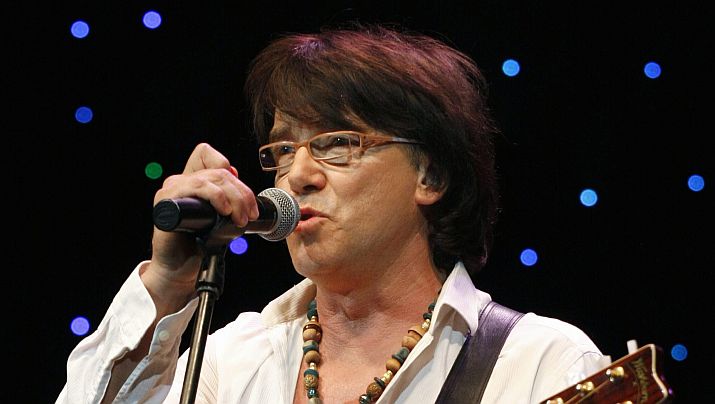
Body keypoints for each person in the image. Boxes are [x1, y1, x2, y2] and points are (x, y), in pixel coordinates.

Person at [57, 23, 605, 403]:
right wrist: (168, 281)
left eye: (338, 142)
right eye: (283, 150)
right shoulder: (230, 360)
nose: (297, 174)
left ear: (431, 175)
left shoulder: (541, 364)